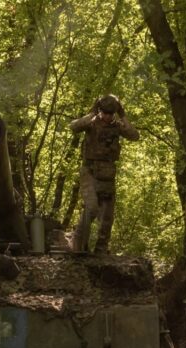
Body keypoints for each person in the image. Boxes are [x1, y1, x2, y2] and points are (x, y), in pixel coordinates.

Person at [69, 94, 139, 253]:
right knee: (92, 208)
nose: (107, 117)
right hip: (90, 171)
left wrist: (123, 115)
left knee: (107, 216)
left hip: (108, 174)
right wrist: (93, 112)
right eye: (105, 113)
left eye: (111, 113)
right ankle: (77, 245)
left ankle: (101, 250)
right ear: (100, 110)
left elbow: (134, 136)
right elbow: (73, 126)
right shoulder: (91, 123)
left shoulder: (117, 125)